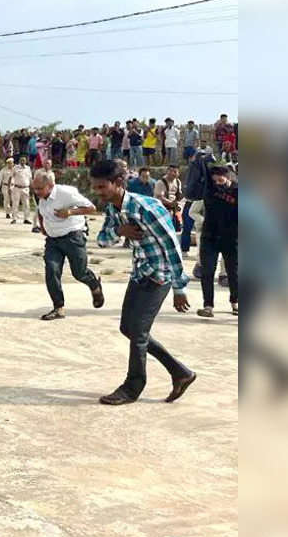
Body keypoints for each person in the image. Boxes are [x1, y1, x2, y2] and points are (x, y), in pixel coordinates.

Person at [89, 159, 197, 405]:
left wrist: (180, 288)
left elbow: (172, 248)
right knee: (129, 329)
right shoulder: (112, 211)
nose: (98, 192)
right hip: (140, 272)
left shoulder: (147, 207)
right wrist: (119, 232)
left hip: (160, 276)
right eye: (95, 187)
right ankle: (181, 373)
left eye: (101, 187)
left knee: (137, 332)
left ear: (118, 183)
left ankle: (132, 386)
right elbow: (102, 241)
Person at [33, 169, 105, 320]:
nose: (36, 191)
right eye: (35, 187)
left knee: (79, 272)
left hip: (73, 237)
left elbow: (91, 208)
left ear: (50, 186)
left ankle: (94, 285)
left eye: (40, 188)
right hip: (53, 240)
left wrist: (70, 212)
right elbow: (40, 212)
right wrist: (43, 227)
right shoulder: (39, 195)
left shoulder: (66, 193)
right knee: (51, 270)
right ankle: (58, 308)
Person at [194, 164, 238, 318]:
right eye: (215, 181)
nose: (218, 184)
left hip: (232, 238)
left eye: (221, 181)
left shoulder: (239, 191)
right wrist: (199, 161)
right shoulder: (209, 189)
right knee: (207, 272)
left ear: (229, 178)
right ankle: (208, 306)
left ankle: (236, 302)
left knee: (235, 272)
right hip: (210, 237)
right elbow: (200, 179)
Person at [154, 164, 185, 231]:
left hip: (175, 209)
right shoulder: (160, 182)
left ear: (178, 173)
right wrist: (170, 203)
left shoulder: (178, 182)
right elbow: (159, 197)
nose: (172, 173)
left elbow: (179, 195)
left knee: (178, 228)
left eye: (175, 171)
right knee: (164, 229)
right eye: (170, 171)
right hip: (163, 209)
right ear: (167, 171)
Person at [10, 155, 33, 225]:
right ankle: (14, 218)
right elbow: (10, 177)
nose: (23, 161)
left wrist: (32, 188)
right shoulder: (15, 168)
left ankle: (26, 218)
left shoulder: (28, 168)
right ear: (19, 161)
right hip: (17, 188)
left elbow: (30, 179)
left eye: (24, 160)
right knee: (15, 204)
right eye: (21, 160)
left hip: (26, 188)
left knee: (26, 204)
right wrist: (9, 187)